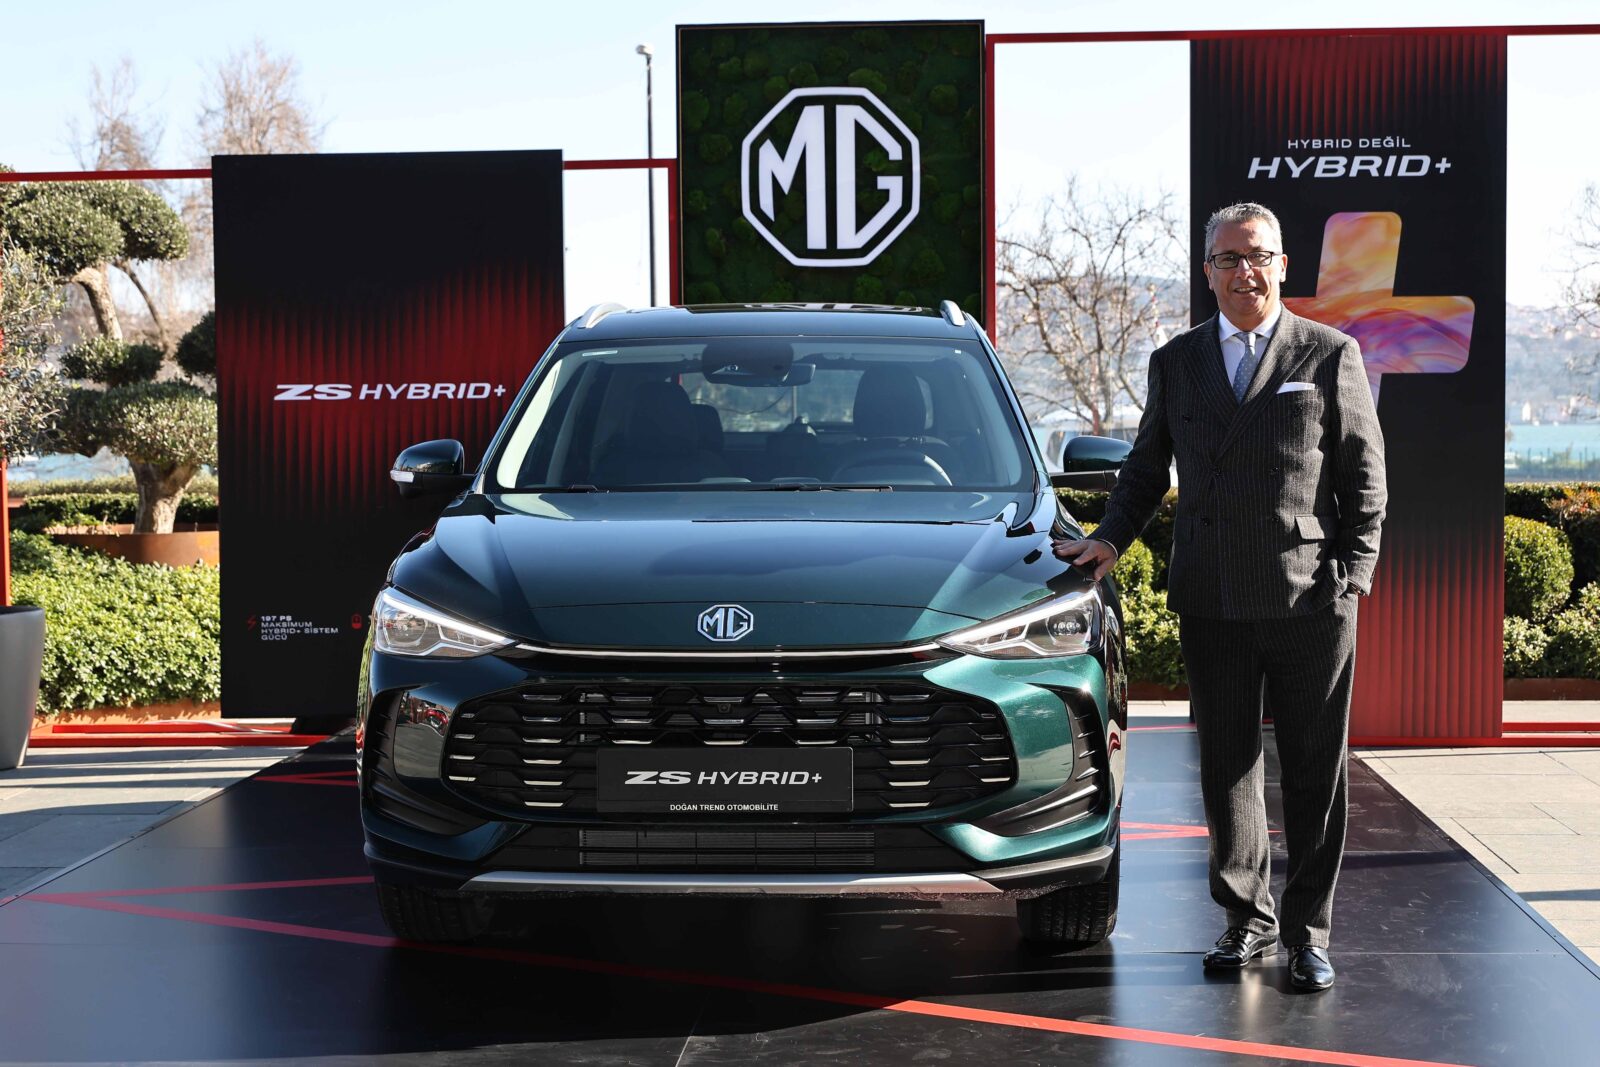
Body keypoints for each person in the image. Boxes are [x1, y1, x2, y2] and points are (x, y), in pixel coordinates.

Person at [1056, 202, 1386, 992]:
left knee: (1314, 770)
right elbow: (1145, 469)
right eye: (1230, 258)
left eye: (1259, 256)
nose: (1246, 271)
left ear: (1283, 266)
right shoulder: (1176, 361)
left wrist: (1353, 574)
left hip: (1311, 599)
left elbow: (1365, 476)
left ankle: (1308, 932)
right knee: (1228, 767)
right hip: (1212, 596)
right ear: (1207, 271)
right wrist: (1109, 538)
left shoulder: (1329, 353)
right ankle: (1246, 920)